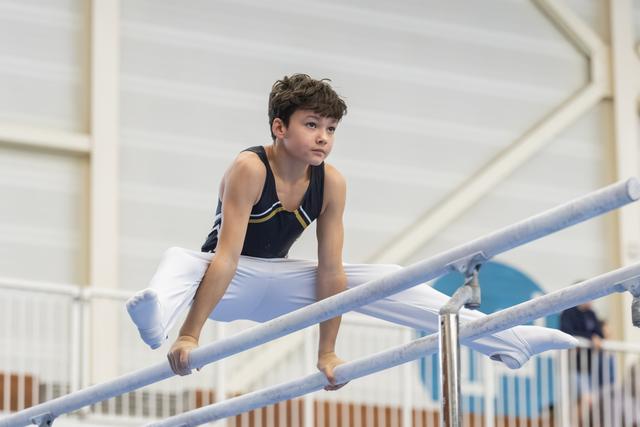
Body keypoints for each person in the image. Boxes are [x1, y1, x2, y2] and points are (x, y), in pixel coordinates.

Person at [126, 73, 578, 391]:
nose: (323, 137)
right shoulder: (250, 167)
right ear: (279, 128)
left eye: (331, 129)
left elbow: (331, 274)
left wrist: (327, 353)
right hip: (225, 284)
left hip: (280, 285)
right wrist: (190, 336)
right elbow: (225, 257)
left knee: (385, 277)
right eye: (311, 125)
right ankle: (158, 319)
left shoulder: (331, 183)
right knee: (182, 259)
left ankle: (508, 340)